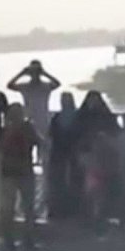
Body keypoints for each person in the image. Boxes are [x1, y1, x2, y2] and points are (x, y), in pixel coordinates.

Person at [73, 91, 120, 228]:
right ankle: (89, 215)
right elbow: (76, 135)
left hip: (104, 158)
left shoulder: (106, 116)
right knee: (88, 188)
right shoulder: (82, 116)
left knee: (102, 189)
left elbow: (115, 132)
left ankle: (101, 216)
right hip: (87, 156)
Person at [0, 103, 40, 249]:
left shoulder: (27, 128)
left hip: (20, 171)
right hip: (14, 172)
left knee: (25, 207)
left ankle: (23, 238)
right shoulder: (7, 130)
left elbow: (38, 142)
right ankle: (12, 238)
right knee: (15, 208)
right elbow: (0, 149)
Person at [7, 60, 61, 161]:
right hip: (29, 121)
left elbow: (57, 84)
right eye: (33, 71)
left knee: (44, 150)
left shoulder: (45, 87)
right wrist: (22, 73)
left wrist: (44, 73)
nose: (35, 74)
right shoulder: (25, 87)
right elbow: (10, 85)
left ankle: (43, 166)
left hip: (43, 121)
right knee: (27, 148)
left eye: (37, 71)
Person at [47, 92, 79, 220]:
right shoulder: (58, 117)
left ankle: (69, 209)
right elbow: (51, 134)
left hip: (72, 152)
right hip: (60, 153)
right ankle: (59, 209)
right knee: (58, 181)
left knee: (71, 181)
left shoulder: (76, 117)